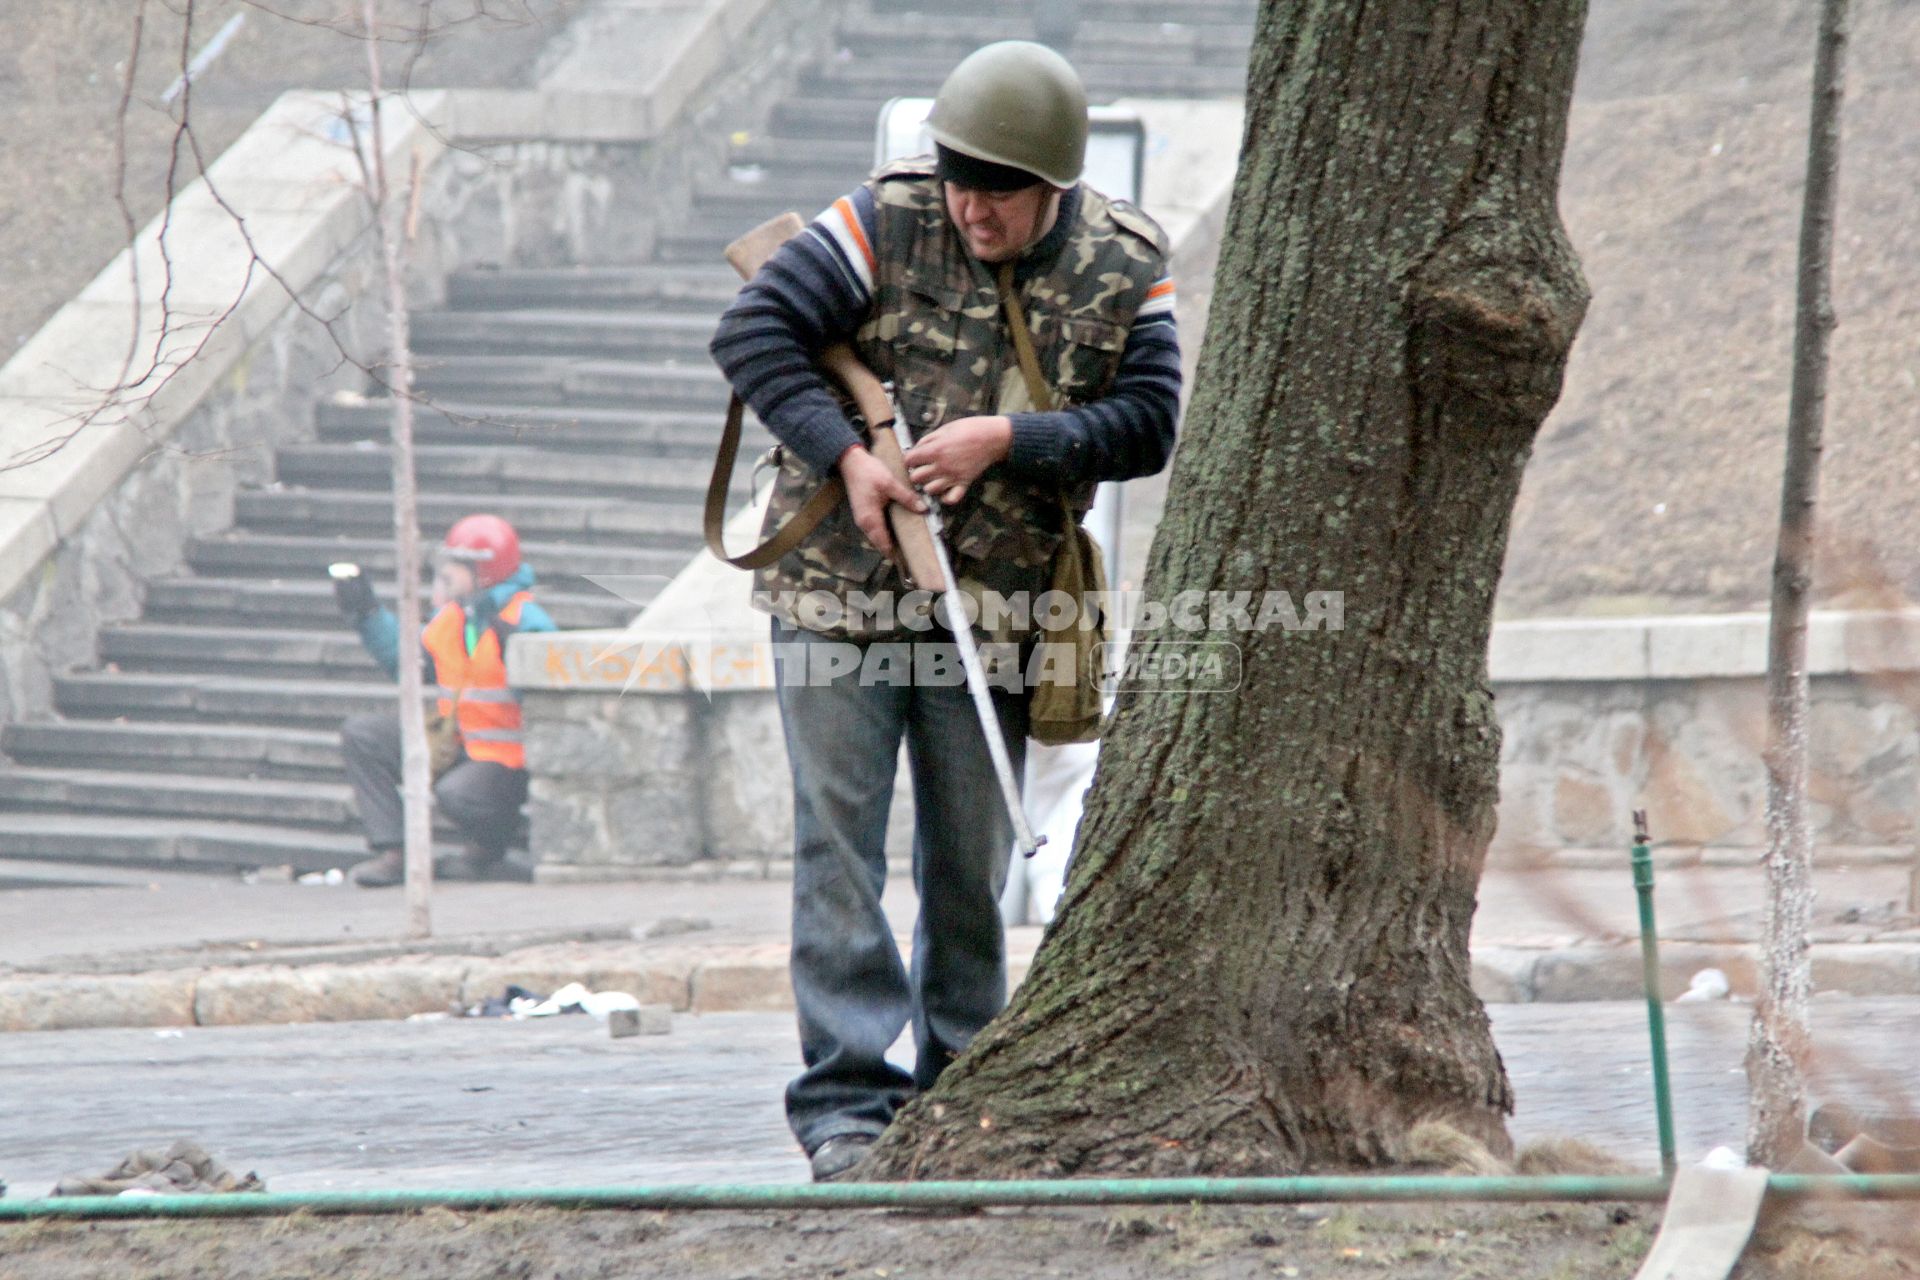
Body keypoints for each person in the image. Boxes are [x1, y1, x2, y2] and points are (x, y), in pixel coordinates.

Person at [710, 41, 1181, 1181]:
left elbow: (1151, 420)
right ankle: (845, 1105)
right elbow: (753, 335)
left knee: (969, 859)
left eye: (1000, 191)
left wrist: (1010, 440)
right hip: (835, 595)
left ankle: (965, 1082)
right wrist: (846, 458)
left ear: (1054, 186)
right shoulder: (880, 220)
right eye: (960, 182)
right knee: (839, 850)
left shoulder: (1126, 264)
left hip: (996, 610)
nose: (973, 208)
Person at [332, 514, 556, 887]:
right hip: (457, 744)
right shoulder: (454, 617)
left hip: (506, 762)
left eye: (458, 565)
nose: (447, 573)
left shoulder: (523, 621)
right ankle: (395, 853)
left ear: (483, 571)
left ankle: (486, 852)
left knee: (459, 793)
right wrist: (367, 614)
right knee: (364, 736)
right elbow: (409, 661)